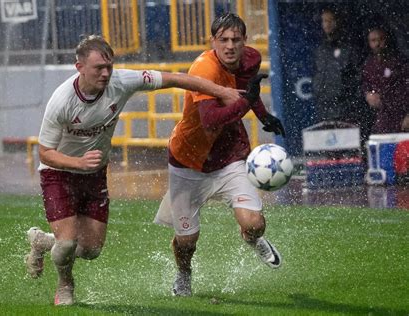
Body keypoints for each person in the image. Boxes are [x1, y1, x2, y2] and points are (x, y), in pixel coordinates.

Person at [24, 34, 244, 306]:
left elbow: (176, 79)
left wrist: (220, 91)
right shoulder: (62, 101)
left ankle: (43, 243)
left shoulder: (122, 81)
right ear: (79, 67)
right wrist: (78, 163)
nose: (105, 74)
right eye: (98, 68)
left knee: (91, 250)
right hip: (58, 173)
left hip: (94, 174)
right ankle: (66, 284)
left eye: (109, 66)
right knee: (67, 244)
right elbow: (44, 153)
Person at [153, 13, 286, 297]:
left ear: (245, 42)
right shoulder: (203, 69)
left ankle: (252, 239)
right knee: (187, 240)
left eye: (236, 40)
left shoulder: (251, 59)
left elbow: (245, 91)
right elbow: (211, 120)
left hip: (230, 157)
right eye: (223, 40)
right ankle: (184, 274)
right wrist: (249, 102)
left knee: (254, 224)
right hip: (188, 161)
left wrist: (263, 116)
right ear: (212, 41)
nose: (230, 46)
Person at [312, 8, 374, 147]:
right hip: (324, 110)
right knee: (327, 151)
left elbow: (360, 78)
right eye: (324, 21)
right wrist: (319, 94)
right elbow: (317, 76)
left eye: (330, 20)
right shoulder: (321, 50)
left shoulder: (350, 48)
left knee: (349, 150)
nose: (327, 24)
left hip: (346, 111)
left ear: (338, 22)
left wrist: (350, 102)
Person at [362, 26, 408, 134]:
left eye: (381, 39)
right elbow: (364, 85)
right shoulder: (369, 65)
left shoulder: (400, 63)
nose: (377, 44)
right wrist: (367, 95)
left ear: (387, 39)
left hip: (400, 117)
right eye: (373, 40)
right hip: (380, 120)